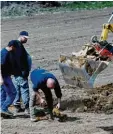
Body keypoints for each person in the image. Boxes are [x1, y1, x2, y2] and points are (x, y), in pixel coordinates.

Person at [11, 31, 31, 115]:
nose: (26, 40)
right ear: (21, 37)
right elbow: (21, 60)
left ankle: (17, 107)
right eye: (25, 38)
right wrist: (25, 71)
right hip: (21, 73)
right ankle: (27, 108)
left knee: (16, 90)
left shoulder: (15, 46)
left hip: (15, 73)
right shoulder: (19, 46)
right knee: (24, 90)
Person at [0, 40, 17, 116]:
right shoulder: (4, 54)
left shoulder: (6, 52)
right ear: (12, 46)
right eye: (16, 48)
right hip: (4, 77)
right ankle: (4, 108)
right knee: (13, 93)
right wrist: (1, 79)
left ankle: (2, 109)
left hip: (6, 76)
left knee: (3, 93)